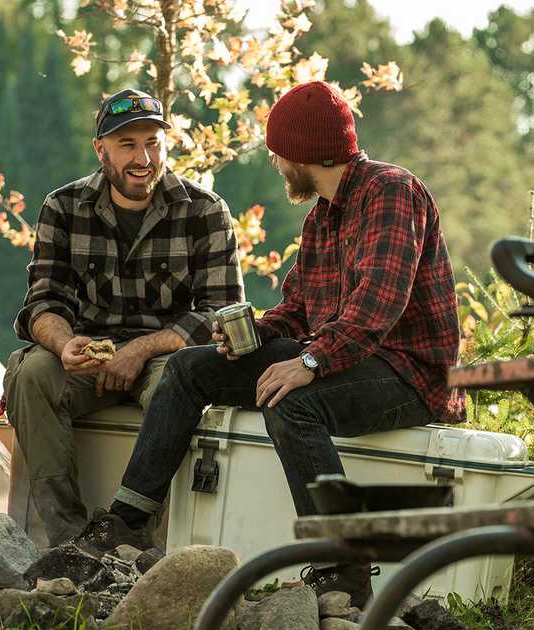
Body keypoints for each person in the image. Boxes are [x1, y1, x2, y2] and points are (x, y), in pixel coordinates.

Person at [79, 81, 467, 607]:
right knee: (192, 367)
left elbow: (378, 303)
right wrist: (254, 336)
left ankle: (344, 568)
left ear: (305, 152)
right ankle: (125, 524)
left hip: (409, 373)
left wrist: (309, 361)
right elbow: (297, 310)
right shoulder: (322, 216)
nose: (276, 163)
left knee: (294, 401)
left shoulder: (391, 191)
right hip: (345, 357)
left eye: (278, 152)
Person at [3, 88, 244, 546]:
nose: (143, 157)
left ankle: (139, 546)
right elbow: (42, 302)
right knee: (31, 373)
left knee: (178, 391)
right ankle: (67, 542)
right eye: (127, 144)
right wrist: (63, 344)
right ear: (101, 150)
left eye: (153, 142)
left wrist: (139, 350)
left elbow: (219, 310)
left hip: (165, 358)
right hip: (86, 353)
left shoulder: (206, 210)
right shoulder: (62, 206)